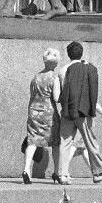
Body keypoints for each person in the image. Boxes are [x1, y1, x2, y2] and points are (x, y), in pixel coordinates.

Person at [57, 41, 102, 185]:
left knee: (65, 143)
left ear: (68, 54)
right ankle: (98, 172)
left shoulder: (63, 70)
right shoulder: (86, 68)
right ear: (81, 53)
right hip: (82, 111)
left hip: (67, 111)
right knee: (90, 141)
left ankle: (62, 175)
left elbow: (60, 92)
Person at [23, 48, 62, 184]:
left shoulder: (36, 77)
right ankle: (57, 172)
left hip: (34, 110)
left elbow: (31, 94)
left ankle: (26, 170)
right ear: (56, 63)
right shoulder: (54, 78)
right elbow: (56, 98)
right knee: (55, 142)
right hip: (48, 112)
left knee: (32, 141)